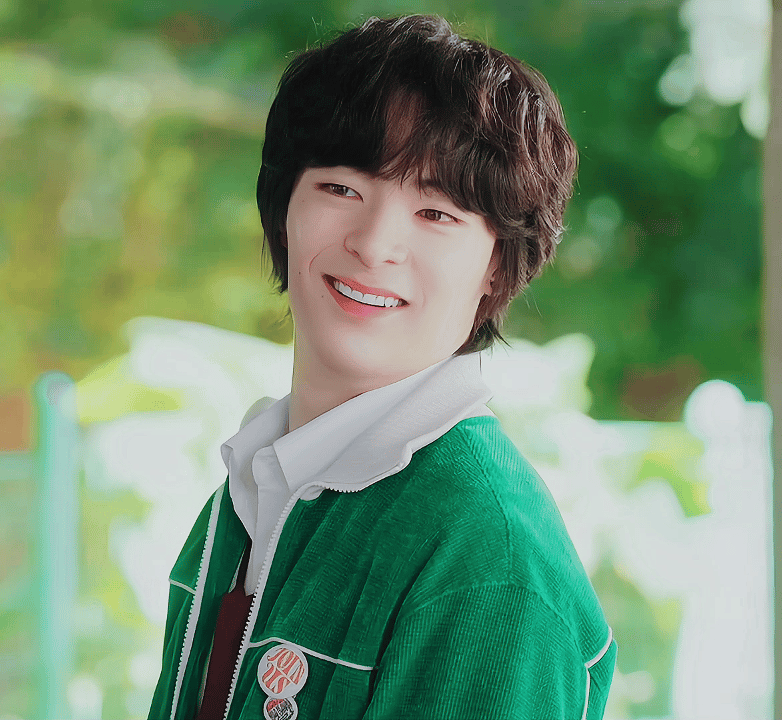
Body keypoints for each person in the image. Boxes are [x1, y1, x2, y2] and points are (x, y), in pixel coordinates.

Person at [148, 14, 616, 720]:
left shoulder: (487, 563)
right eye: (342, 188)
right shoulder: (246, 497)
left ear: (496, 265)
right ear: (284, 210)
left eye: (436, 213)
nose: (373, 245)